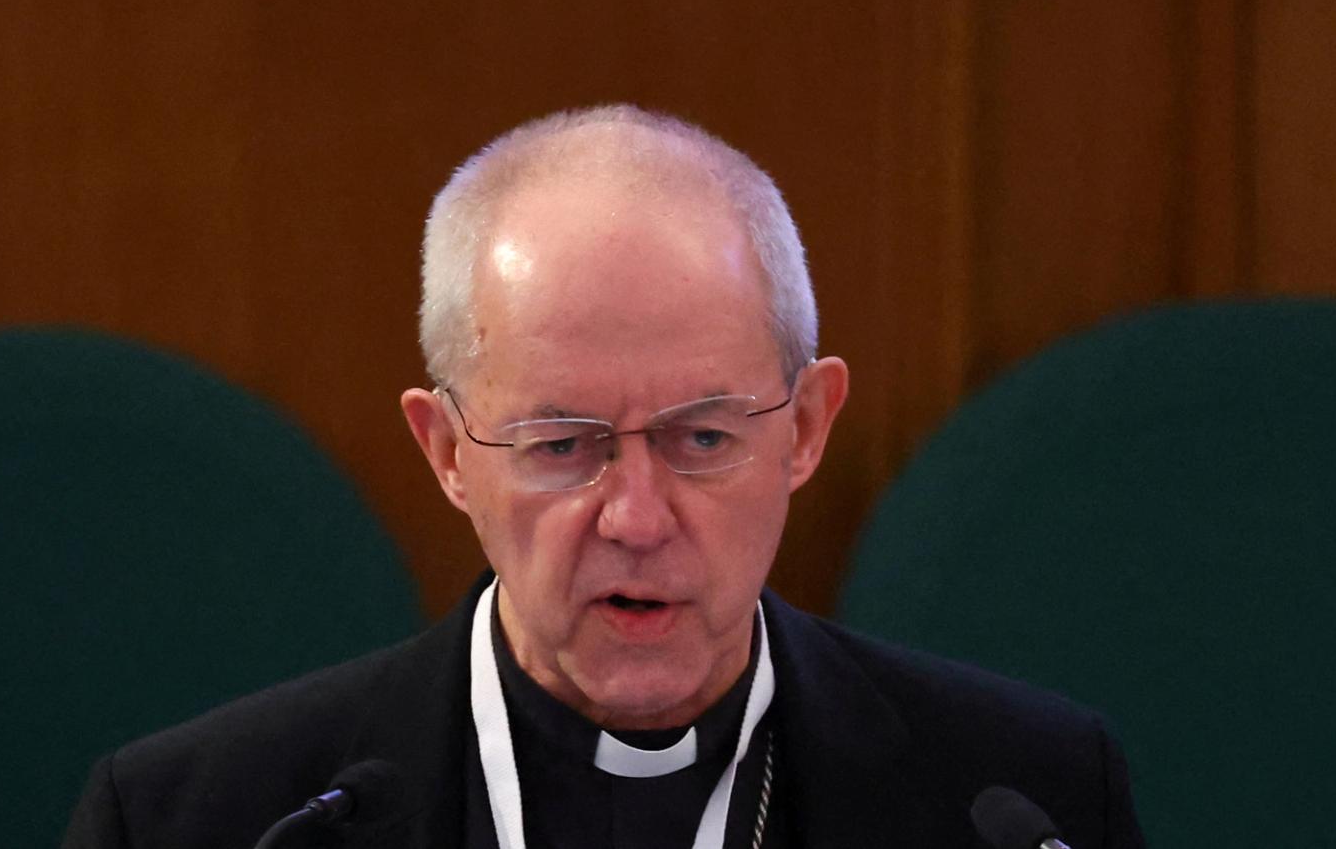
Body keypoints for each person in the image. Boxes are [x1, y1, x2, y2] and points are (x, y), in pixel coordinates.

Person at [61, 105, 1145, 848]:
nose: (635, 518)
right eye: (562, 446)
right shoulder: (204, 823)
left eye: (702, 439)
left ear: (807, 428)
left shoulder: (1018, 807)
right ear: (447, 453)